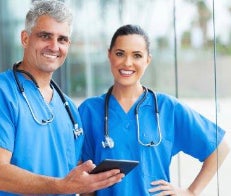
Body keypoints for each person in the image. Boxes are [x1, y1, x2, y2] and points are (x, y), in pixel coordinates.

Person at [78, 24, 230, 196]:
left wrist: (191, 192)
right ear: (109, 55)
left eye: (137, 55)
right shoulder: (89, 111)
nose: (127, 63)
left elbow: (219, 148)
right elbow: (85, 180)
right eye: (120, 53)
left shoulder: (167, 108)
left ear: (147, 60)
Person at [0, 1, 124, 195]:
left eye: (62, 39)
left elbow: (73, 178)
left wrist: (95, 182)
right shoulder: (4, 93)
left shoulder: (69, 109)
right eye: (45, 36)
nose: (54, 46)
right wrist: (60, 186)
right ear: (25, 38)